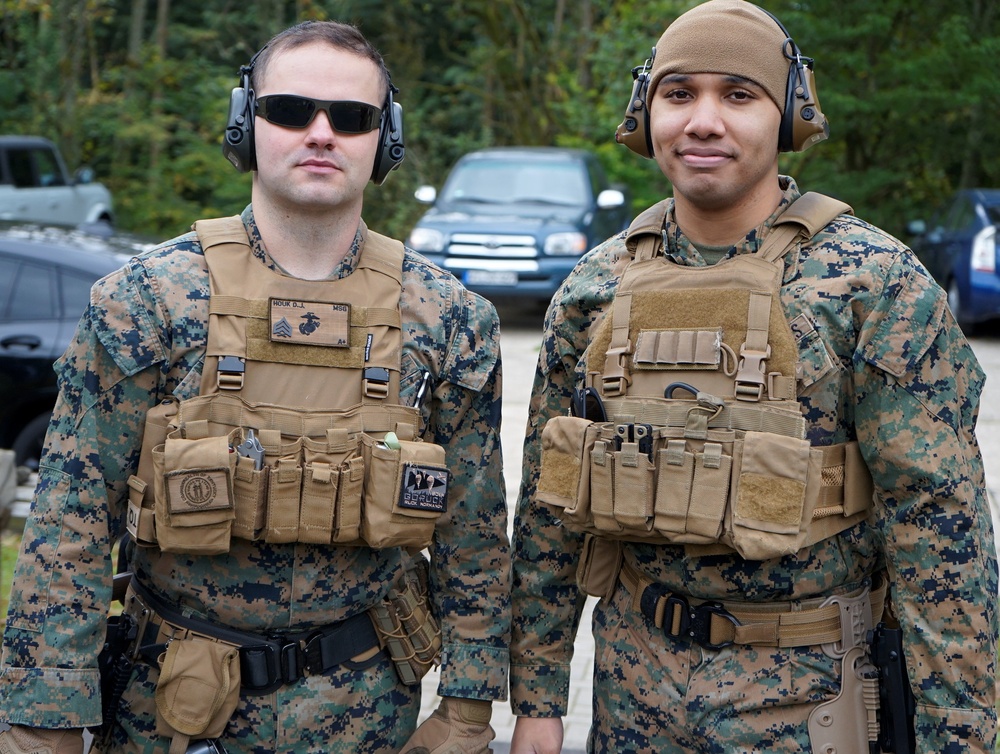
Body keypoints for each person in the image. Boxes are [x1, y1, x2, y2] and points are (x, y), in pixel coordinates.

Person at [0, 20, 510, 754]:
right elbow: (70, 525)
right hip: (170, 710)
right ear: (247, 123)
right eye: (291, 110)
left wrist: (467, 713)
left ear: (384, 139)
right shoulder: (147, 303)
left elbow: (476, 538)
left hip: (366, 716)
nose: (323, 132)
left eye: (353, 117)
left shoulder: (448, 320)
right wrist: (42, 725)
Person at [508, 1, 998, 752]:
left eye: (738, 95)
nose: (703, 121)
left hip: (810, 698)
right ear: (646, 114)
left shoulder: (873, 283)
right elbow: (551, 510)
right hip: (633, 691)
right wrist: (539, 699)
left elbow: (939, 533)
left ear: (789, 113)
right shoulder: (595, 286)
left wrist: (959, 736)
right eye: (679, 94)